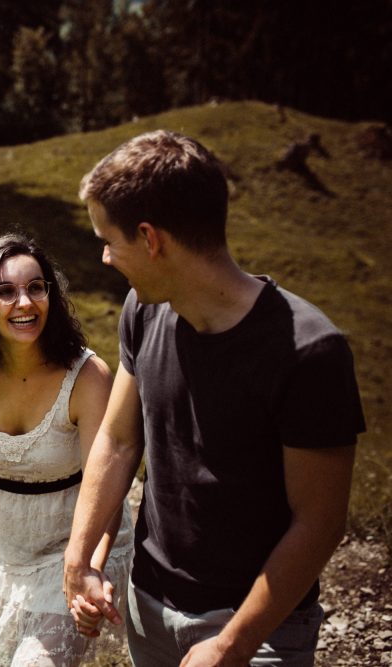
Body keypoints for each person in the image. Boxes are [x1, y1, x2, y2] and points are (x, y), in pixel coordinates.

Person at [62, 130, 366, 666]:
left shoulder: (310, 350)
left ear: (152, 239)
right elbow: (116, 438)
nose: (106, 257)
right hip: (150, 602)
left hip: (258, 627)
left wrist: (233, 643)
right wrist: (79, 555)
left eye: (109, 239)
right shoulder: (142, 309)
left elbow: (320, 523)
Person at [0, 233, 134, 666]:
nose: (25, 303)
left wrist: (89, 567)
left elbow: (109, 480)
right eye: (6, 292)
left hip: (75, 550)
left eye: (36, 287)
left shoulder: (87, 377)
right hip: (2, 551)